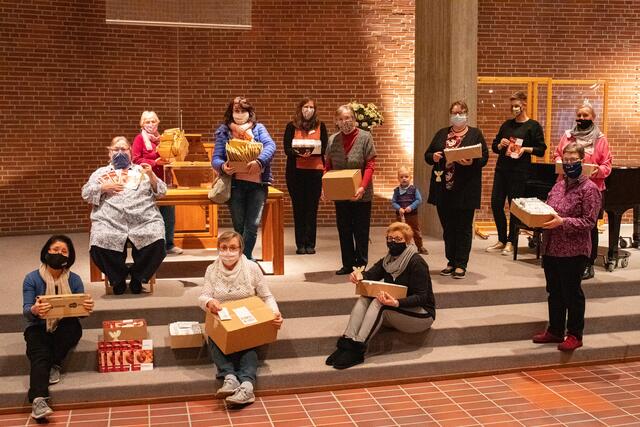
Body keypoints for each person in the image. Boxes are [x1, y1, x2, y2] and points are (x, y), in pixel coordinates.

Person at [326, 222, 435, 369]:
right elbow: (370, 275)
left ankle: (358, 348)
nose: (392, 243)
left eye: (397, 239)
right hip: (397, 310)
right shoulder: (387, 260)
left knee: (380, 304)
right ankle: (347, 343)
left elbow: (422, 297)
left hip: (421, 314)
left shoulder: (417, 262)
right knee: (365, 296)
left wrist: (396, 302)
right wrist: (358, 276)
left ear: (407, 241)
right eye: (389, 239)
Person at [198, 231, 283, 406]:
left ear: (241, 249)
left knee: (249, 341)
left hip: (247, 315)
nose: (228, 252)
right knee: (212, 332)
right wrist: (209, 302)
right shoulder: (211, 270)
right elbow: (203, 296)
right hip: (223, 315)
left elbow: (267, 296)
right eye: (224, 248)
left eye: (233, 248)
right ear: (218, 249)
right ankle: (229, 377)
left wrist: (274, 314)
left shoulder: (252, 268)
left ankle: (247, 386)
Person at [533, 143, 601, 351]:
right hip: (552, 246)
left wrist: (563, 222)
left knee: (572, 293)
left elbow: (589, 222)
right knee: (554, 291)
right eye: (566, 160)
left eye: (574, 160)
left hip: (574, 249)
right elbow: (548, 208)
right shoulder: (558, 185)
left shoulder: (590, 189)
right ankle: (555, 330)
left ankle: (574, 334)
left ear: (583, 161)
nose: (569, 164)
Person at [82, 136, 167, 295]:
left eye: (124, 149)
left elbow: (162, 192)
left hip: (143, 219)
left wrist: (152, 176)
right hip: (109, 221)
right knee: (99, 241)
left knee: (157, 239)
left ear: (131, 152)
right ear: (109, 153)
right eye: (116, 149)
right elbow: (86, 194)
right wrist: (102, 187)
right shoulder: (100, 173)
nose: (120, 153)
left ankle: (138, 277)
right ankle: (118, 278)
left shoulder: (142, 170)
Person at [23, 235, 94, 420]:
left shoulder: (74, 279)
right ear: (47, 251)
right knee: (39, 354)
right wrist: (35, 309)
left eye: (64, 251)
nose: (58, 254)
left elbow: (78, 311)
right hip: (38, 326)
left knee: (72, 327)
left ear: (69, 257)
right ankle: (38, 400)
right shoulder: (32, 278)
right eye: (55, 250)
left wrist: (86, 308)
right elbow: (26, 311)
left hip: (65, 325)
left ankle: (54, 363)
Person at [425, 100, 489, 279]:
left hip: (465, 189)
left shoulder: (475, 134)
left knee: (463, 228)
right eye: (454, 113)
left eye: (460, 112)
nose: (457, 116)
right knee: (448, 228)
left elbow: (484, 157)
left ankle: (461, 264)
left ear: (466, 113)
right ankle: (451, 261)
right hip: (444, 188)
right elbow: (427, 155)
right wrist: (435, 156)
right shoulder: (441, 134)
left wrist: (471, 161)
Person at [212, 97, 276, 260]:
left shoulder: (258, 128)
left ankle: (244, 258)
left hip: (257, 185)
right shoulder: (224, 131)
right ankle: (239, 258)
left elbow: (271, 146)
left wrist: (259, 161)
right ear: (231, 112)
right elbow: (216, 157)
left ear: (249, 112)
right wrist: (222, 166)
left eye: (243, 111)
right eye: (236, 111)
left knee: (252, 225)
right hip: (235, 185)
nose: (239, 114)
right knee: (239, 226)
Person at [554, 103, 612, 280]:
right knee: (564, 221)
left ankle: (588, 262)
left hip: (590, 188)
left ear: (593, 118)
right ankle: (563, 258)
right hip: (567, 186)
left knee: (589, 226)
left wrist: (597, 171)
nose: (581, 118)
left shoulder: (600, 139)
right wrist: (561, 162)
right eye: (578, 115)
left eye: (585, 115)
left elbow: (607, 165)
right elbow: (557, 154)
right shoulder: (568, 136)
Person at [487, 91, 547, 256]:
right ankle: (501, 239)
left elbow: (541, 149)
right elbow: (494, 146)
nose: (513, 109)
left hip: (519, 172)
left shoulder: (533, 126)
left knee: (514, 208)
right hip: (502, 170)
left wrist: (525, 149)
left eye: (516, 106)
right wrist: (500, 144)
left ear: (524, 105)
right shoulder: (506, 125)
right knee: (496, 203)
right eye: (511, 106)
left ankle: (511, 241)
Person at [325, 104, 377, 275]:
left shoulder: (365, 137)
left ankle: (360, 265)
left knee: (361, 229)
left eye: (347, 118)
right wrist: (324, 186)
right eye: (340, 119)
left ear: (354, 119)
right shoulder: (333, 140)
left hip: (362, 192)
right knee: (344, 228)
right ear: (336, 121)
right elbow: (328, 166)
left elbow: (370, 165)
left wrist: (362, 187)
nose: (344, 121)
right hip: (341, 192)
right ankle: (347, 263)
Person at [132, 110, 183, 255]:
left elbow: (173, 154)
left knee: (169, 215)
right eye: (147, 121)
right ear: (142, 124)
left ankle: (169, 244)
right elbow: (135, 160)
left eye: (153, 121)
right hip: (147, 183)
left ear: (158, 122)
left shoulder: (163, 139)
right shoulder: (139, 139)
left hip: (166, 181)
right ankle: (153, 247)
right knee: (150, 216)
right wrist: (154, 162)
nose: (150, 124)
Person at [283, 97, 328, 254]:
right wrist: (301, 152)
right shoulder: (291, 126)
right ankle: (300, 244)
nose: (308, 110)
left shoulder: (321, 126)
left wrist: (311, 151)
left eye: (311, 107)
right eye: (305, 107)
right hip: (296, 173)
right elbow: (287, 149)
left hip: (315, 172)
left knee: (311, 209)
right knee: (299, 208)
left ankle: (310, 244)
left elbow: (324, 147)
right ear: (300, 108)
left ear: (315, 110)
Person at [391, 166, 428, 255]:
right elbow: (393, 202)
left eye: (406, 177)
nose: (404, 179)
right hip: (400, 215)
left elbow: (419, 200)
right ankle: (400, 247)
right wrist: (399, 208)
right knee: (400, 231)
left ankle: (420, 246)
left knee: (415, 230)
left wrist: (411, 207)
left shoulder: (414, 189)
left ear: (410, 178)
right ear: (398, 179)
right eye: (401, 177)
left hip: (412, 215)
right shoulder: (396, 191)